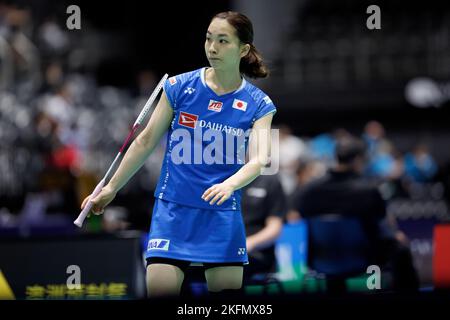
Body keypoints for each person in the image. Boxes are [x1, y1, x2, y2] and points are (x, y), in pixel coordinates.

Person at [81, 11, 276, 297]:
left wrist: (230, 184)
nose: (212, 47)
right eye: (209, 39)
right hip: (173, 211)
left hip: (221, 215)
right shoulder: (179, 87)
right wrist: (111, 188)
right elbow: (145, 140)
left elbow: (260, 160)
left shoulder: (259, 103)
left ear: (243, 49)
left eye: (223, 41)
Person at [290, 136, 420, 292]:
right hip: (364, 257)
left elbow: (297, 217)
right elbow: (383, 224)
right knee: (401, 248)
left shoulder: (310, 190)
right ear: (358, 160)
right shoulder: (368, 190)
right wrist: (396, 235)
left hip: (322, 259)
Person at [241, 173, 287, 280]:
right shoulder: (216, 179)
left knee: (230, 266)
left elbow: (274, 228)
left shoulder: (269, 181)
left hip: (256, 254)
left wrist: (247, 244)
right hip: (220, 251)